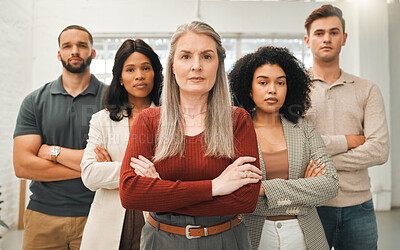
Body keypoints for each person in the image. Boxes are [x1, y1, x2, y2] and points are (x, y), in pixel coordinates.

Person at [119, 21, 262, 249]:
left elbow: (246, 199)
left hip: (225, 240)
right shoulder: (148, 120)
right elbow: (131, 194)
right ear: (173, 66)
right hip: (161, 241)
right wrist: (216, 186)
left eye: (206, 56)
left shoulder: (238, 120)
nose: (196, 66)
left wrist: (162, 192)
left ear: (218, 65)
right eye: (186, 56)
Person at [229, 46, 339, 250]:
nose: (273, 89)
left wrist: (262, 189)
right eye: (263, 82)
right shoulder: (234, 132)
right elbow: (235, 193)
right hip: (253, 233)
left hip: (305, 234)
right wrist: (303, 187)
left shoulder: (304, 128)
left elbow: (330, 184)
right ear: (249, 88)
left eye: (280, 82)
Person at [303, 4, 390, 249]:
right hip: (312, 206)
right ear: (308, 40)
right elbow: (298, 148)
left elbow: (379, 150)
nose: (327, 38)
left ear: (344, 38)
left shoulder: (367, 89)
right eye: (319, 33)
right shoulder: (294, 90)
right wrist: (349, 141)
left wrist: (319, 163)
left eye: (334, 32)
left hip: (359, 208)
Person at [13, 25, 106, 249]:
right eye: (67, 46)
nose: (75, 51)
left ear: (92, 53)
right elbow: (23, 167)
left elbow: (114, 161)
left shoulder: (111, 100)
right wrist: (89, 168)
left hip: (97, 214)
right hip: (42, 216)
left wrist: (53, 153)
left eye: (82, 46)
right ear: (59, 54)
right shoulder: (34, 101)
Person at [79, 39, 163, 250]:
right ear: (120, 78)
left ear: (155, 73)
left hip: (156, 220)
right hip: (108, 223)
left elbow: (174, 173)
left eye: (146, 68)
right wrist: (143, 170)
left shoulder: (172, 119)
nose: (139, 76)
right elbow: (89, 174)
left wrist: (116, 167)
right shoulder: (102, 120)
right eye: (130, 69)